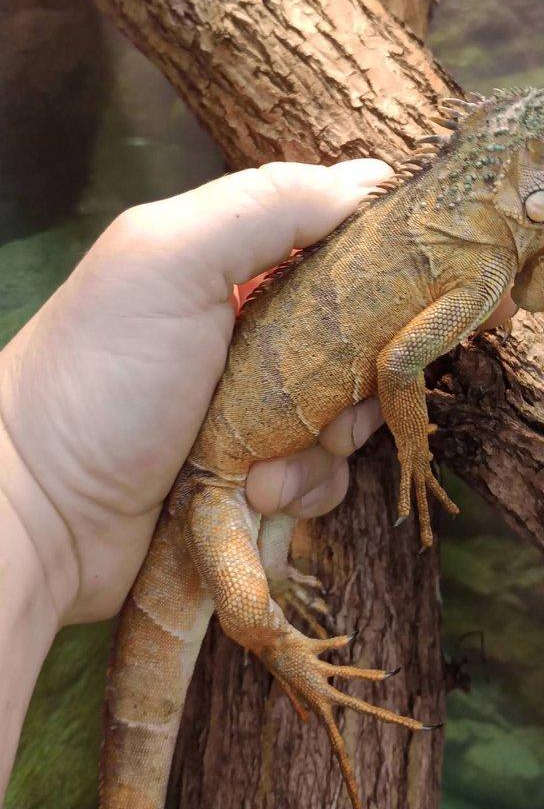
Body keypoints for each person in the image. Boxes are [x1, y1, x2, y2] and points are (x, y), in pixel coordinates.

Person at [0, 158, 394, 796]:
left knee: (287, 490)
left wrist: (36, 489)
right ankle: (277, 638)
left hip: (210, 492)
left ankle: (271, 591)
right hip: (208, 497)